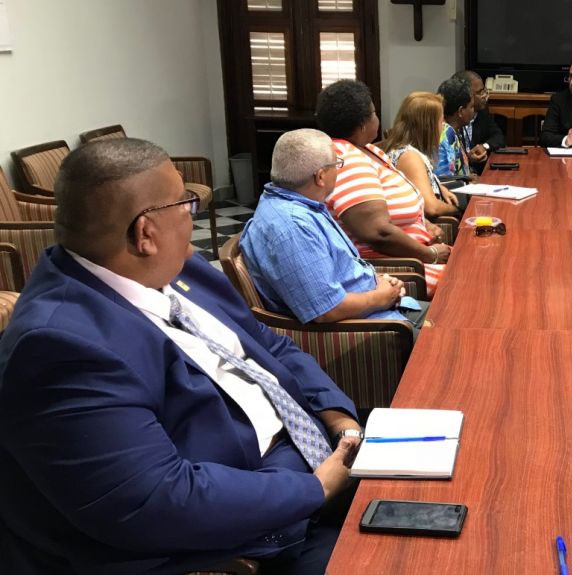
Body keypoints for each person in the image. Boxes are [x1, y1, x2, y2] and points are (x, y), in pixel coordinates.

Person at [0, 138, 363, 574]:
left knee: (451, 479)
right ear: (145, 232)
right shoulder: (62, 347)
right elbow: (156, 499)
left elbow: (267, 344)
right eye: (185, 204)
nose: (192, 218)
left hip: (311, 460)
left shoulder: (179, 269)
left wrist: (336, 414)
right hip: (248, 539)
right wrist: (314, 490)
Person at [241, 129, 425, 328]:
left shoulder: (300, 202)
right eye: (337, 164)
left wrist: (379, 282)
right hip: (370, 330)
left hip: (380, 310)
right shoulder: (293, 227)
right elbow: (327, 309)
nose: (339, 170)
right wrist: (380, 297)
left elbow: (339, 269)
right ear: (321, 177)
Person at [316, 79, 449, 297]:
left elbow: (395, 202)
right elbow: (378, 232)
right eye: (374, 112)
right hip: (397, 270)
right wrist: (430, 254)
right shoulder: (347, 159)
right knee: (476, 276)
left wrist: (423, 223)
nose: (378, 118)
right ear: (363, 124)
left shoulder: (367, 150)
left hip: (415, 259)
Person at [380, 92, 462, 219]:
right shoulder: (409, 157)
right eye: (441, 121)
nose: (444, 126)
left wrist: (439, 187)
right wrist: (460, 210)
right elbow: (431, 208)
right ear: (428, 127)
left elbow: (418, 182)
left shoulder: (407, 150)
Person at [452, 70, 505, 174]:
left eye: (484, 90)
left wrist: (484, 146)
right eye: (479, 92)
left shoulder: (482, 111)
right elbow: (450, 163)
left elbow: (499, 137)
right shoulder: (451, 120)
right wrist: (468, 158)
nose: (484, 96)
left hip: (479, 173)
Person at [434, 77, 475, 179]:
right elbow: (445, 182)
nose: (474, 111)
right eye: (471, 107)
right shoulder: (444, 137)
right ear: (461, 111)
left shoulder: (451, 129)